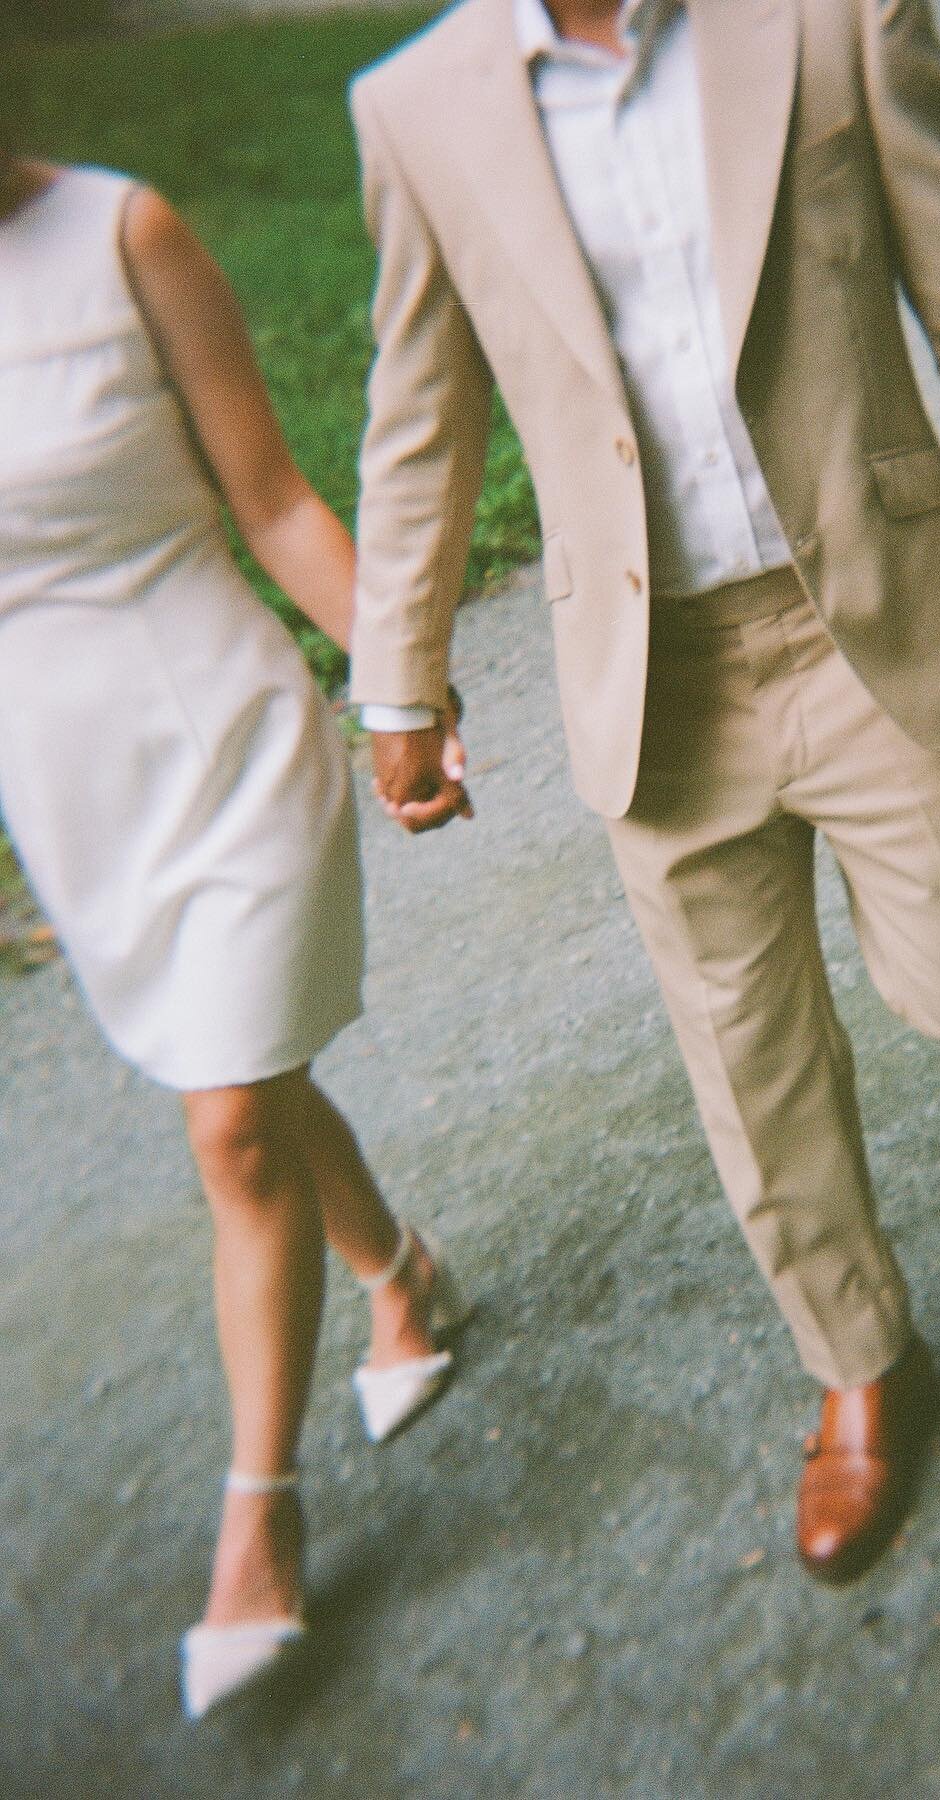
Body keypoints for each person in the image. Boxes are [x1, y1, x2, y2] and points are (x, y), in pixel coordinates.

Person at [349, 0, 940, 1583]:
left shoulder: (830, 17)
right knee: (748, 1070)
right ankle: (857, 1364)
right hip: (655, 675)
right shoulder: (417, 108)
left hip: (868, 616)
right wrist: (401, 678)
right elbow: (420, 423)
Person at [0, 136, 472, 1718]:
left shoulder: (124, 230)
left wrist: (400, 682)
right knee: (245, 1083)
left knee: (225, 1124)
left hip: (221, 741)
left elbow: (270, 498)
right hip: (70, 796)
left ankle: (256, 1529)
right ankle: (400, 1275)